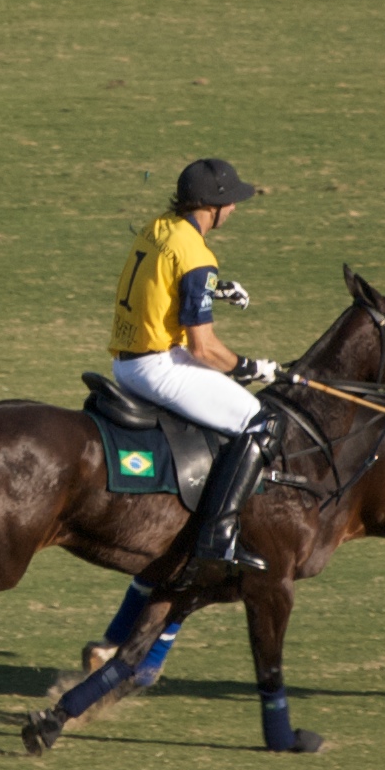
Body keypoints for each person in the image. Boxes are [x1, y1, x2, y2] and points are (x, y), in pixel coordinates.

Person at [110, 158, 280, 582]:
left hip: (125, 359)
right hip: (159, 367)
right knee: (261, 421)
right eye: (232, 202)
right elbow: (204, 350)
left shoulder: (160, 226)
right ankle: (219, 536)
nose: (235, 209)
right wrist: (251, 367)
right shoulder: (197, 255)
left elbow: (162, 280)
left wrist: (213, 289)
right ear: (212, 205)